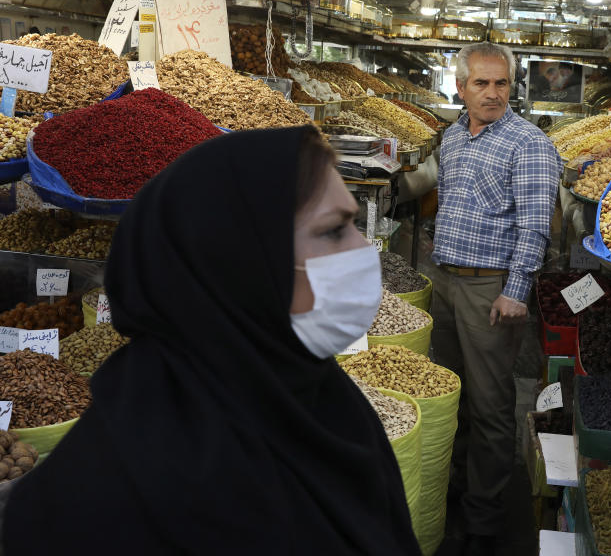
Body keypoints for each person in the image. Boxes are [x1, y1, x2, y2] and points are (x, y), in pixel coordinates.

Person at [0, 127, 420, 555]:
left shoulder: (325, 400)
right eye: (333, 230)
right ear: (241, 262)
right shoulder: (108, 492)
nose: (362, 248)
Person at [430, 42, 561, 553]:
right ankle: (457, 487)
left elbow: (535, 228)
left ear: (512, 86)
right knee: (454, 391)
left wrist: (514, 290)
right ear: (460, 88)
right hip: (447, 281)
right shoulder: (453, 137)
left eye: (501, 83)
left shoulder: (528, 143)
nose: (492, 93)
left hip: (490, 288)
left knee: (489, 402)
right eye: (480, 83)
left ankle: (484, 516)